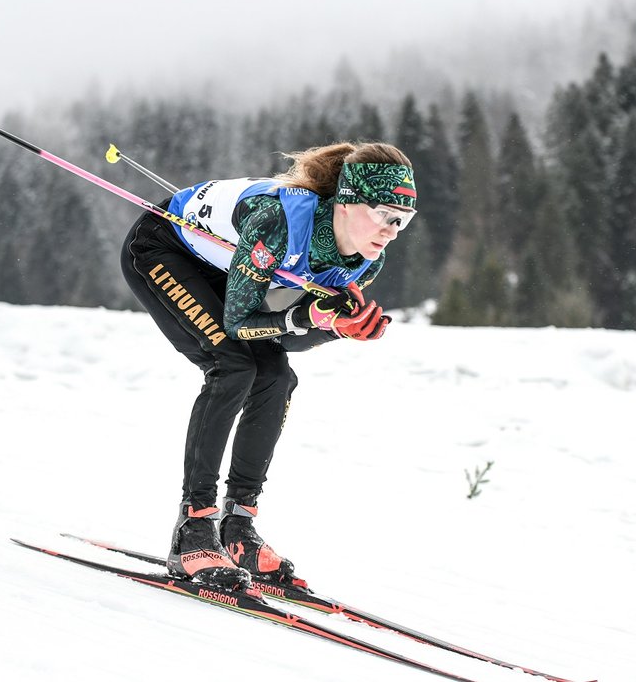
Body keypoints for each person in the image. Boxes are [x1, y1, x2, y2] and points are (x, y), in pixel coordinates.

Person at [119, 142, 417, 590]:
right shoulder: (277, 222)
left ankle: (237, 526)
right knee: (232, 366)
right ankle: (193, 527)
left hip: (226, 268)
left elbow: (282, 338)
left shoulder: (362, 262)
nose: (392, 230)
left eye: (403, 220)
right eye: (384, 215)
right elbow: (241, 325)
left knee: (276, 376)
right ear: (349, 201)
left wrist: (339, 326)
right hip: (164, 248)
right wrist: (312, 317)